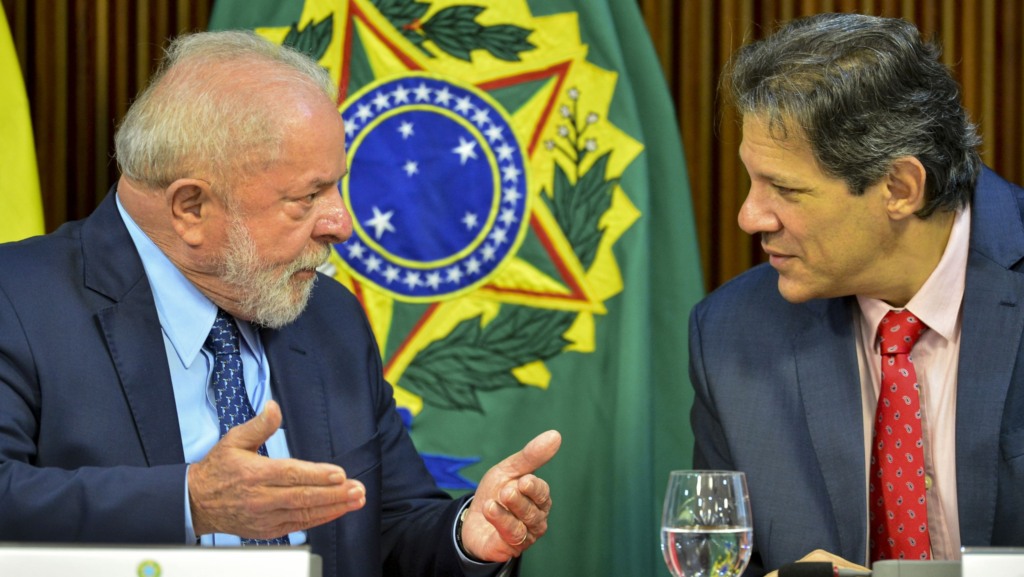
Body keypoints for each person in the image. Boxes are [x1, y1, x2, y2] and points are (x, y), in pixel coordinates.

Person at [0, 30, 561, 577]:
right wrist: (190, 502)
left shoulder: (328, 315)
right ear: (191, 208)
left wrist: (466, 536)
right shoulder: (17, 299)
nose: (341, 224)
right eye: (307, 197)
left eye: (336, 187)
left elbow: (389, 524)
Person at [688, 12, 1024, 577]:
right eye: (752, 179)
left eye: (786, 189)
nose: (749, 216)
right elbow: (711, 564)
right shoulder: (729, 333)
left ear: (899, 187)